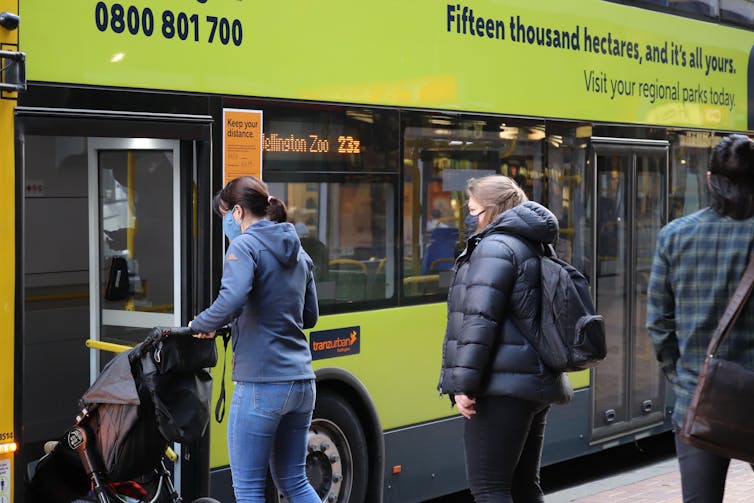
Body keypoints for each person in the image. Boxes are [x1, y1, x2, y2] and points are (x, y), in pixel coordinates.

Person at [438, 175, 571, 502]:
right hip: (533, 382)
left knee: (489, 488)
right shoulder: (532, 242)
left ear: (492, 210)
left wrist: (464, 385)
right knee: (525, 485)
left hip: (500, 387)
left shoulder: (495, 247)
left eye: (472, 210)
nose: (469, 218)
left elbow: (479, 321)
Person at [189, 175, 320, 503]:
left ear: (237, 212)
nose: (225, 224)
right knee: (295, 482)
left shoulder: (244, 246)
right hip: (302, 382)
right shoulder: (299, 252)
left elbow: (231, 298)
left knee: (248, 488)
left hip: (262, 382)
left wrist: (199, 324)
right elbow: (309, 317)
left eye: (223, 216)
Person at [647, 134, 754, 503]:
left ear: (710, 179)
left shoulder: (674, 236)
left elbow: (659, 323)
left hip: (699, 398)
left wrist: (687, 379)